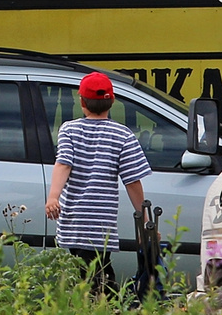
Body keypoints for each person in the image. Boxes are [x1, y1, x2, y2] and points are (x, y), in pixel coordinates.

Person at [45, 71, 151, 298]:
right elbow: (132, 181)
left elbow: (63, 165)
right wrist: (145, 219)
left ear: (81, 101)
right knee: (97, 270)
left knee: (85, 271)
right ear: (112, 102)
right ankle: (103, 310)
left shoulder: (69, 130)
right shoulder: (123, 135)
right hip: (101, 223)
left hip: (74, 219)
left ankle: (93, 310)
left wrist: (53, 197)